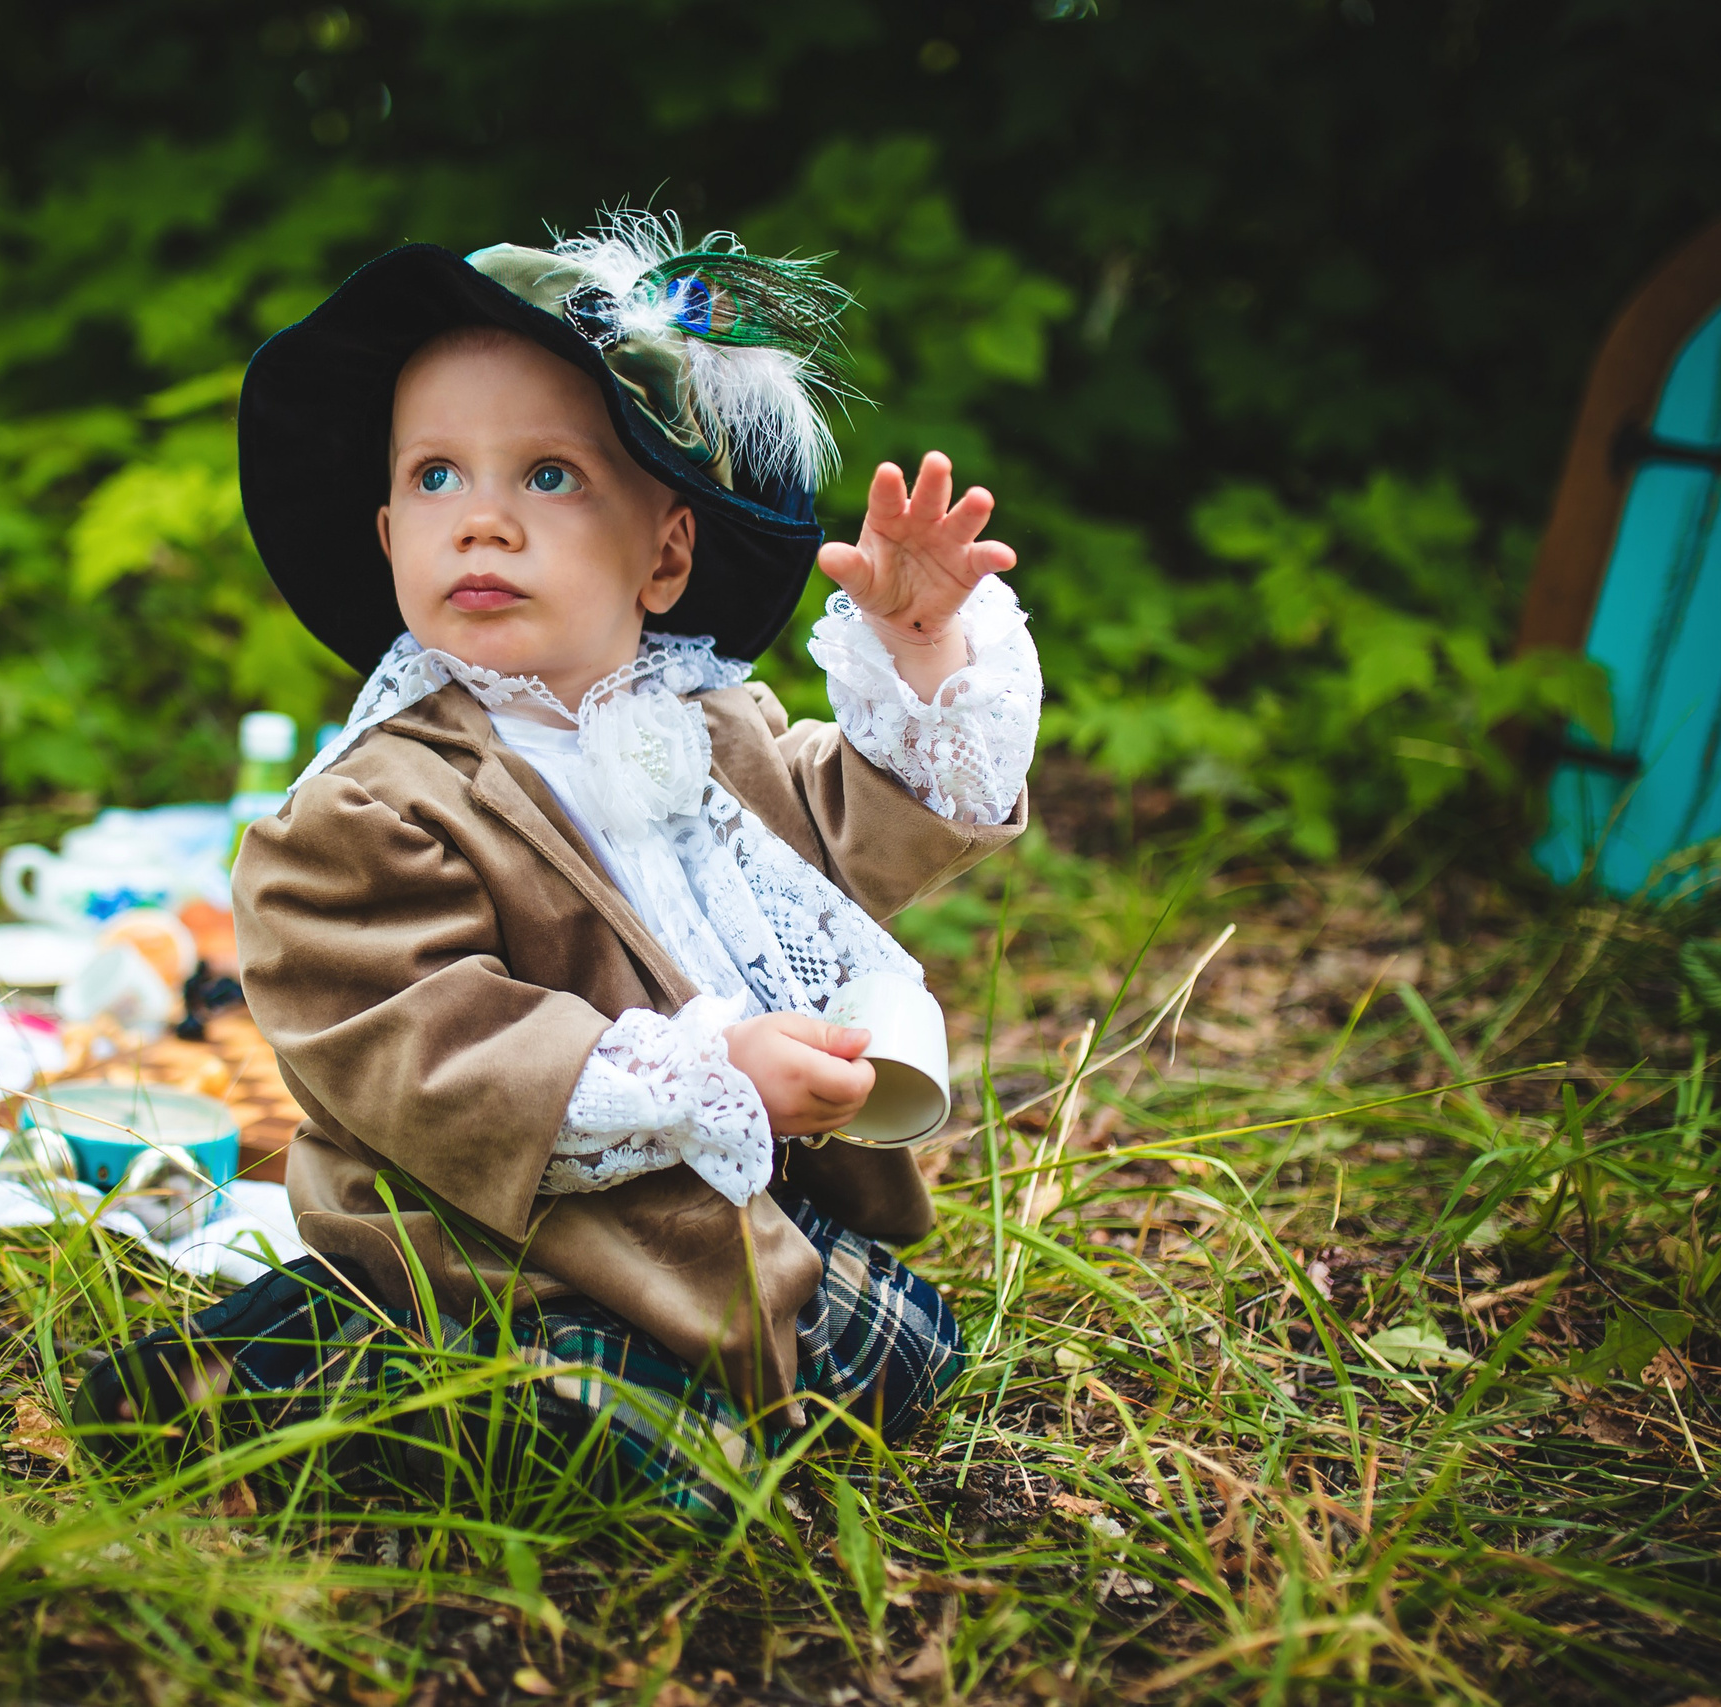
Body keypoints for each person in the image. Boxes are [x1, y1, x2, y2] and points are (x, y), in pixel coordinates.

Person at [75, 214, 1041, 1520]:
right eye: (435, 477)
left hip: (691, 1215)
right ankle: (306, 1381)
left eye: (547, 476)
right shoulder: (373, 803)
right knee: (646, 1459)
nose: (481, 521)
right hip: (489, 1237)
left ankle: (638, 1371)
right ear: (386, 535)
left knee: (909, 1349)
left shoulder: (709, 730)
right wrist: (710, 1074)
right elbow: (427, 1043)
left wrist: (923, 650)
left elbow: (855, 835)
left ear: (666, 555)